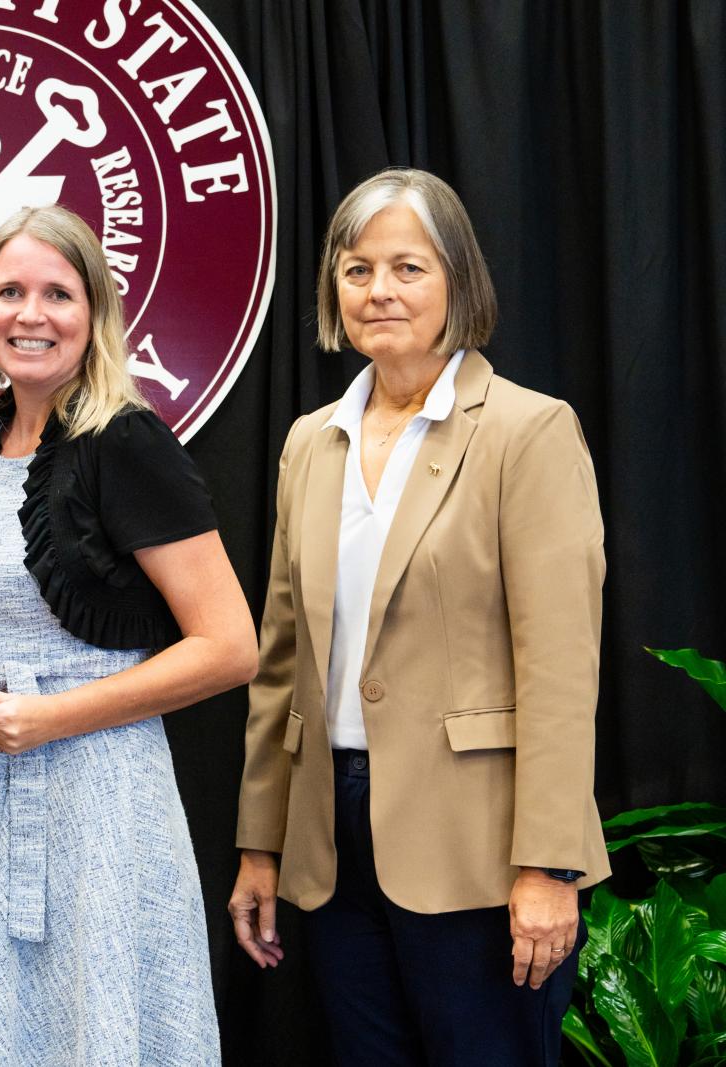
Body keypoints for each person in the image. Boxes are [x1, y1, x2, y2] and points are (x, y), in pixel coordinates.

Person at [227, 167, 608, 1066]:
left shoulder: (528, 430)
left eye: (408, 267)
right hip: (332, 836)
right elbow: (282, 663)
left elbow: (558, 664)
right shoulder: (309, 441)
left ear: (457, 283)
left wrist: (547, 864)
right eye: (357, 270)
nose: (380, 291)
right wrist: (260, 842)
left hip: (479, 844)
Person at [0, 204, 257, 1065]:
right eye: (10, 291)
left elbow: (230, 644)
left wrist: (48, 717)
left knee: (92, 1029)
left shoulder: (125, 443)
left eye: (57, 293)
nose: (31, 314)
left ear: (94, 314)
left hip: (97, 798)